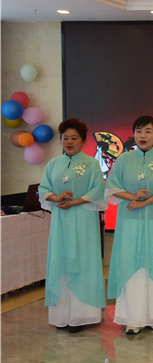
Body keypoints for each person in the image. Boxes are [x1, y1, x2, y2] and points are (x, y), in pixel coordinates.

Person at [105, 116, 153, 335]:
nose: (143, 136)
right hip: (129, 222)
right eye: (139, 131)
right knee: (131, 265)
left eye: (148, 131)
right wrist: (132, 197)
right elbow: (111, 187)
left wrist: (144, 202)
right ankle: (132, 319)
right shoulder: (123, 159)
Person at [39, 118, 107, 333]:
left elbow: (98, 190)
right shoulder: (53, 164)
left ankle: (81, 316)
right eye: (65, 138)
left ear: (83, 141)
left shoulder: (92, 163)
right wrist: (57, 197)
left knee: (83, 262)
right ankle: (62, 316)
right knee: (61, 262)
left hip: (84, 222)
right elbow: (43, 189)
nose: (69, 142)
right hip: (61, 222)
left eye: (74, 138)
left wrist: (74, 202)